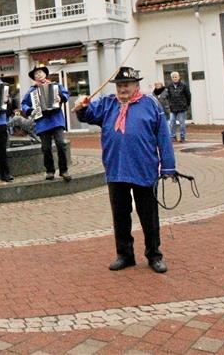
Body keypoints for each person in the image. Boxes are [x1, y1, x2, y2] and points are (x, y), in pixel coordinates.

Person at [74, 66, 175, 274]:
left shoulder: (151, 105)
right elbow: (87, 116)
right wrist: (82, 107)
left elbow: (164, 137)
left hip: (144, 169)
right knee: (120, 215)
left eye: (126, 84)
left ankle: (154, 255)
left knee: (148, 215)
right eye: (119, 85)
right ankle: (125, 255)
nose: (122, 89)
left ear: (136, 85)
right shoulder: (107, 104)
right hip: (116, 168)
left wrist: (168, 166)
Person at [21, 65, 71, 181]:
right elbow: (24, 104)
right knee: (46, 148)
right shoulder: (31, 91)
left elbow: (66, 95)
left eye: (40, 73)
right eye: (36, 74)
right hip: (42, 121)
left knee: (61, 144)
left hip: (56, 119)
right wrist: (30, 110)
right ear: (34, 77)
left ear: (45, 74)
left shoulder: (55, 86)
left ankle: (64, 170)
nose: (38, 75)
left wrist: (60, 97)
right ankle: (50, 171)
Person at [166, 72, 191, 143]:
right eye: (173, 77)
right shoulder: (169, 86)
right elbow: (168, 97)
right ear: (171, 78)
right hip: (172, 108)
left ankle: (182, 137)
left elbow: (188, 96)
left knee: (182, 123)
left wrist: (187, 105)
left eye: (176, 77)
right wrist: (170, 104)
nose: (174, 78)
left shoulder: (184, 86)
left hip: (182, 108)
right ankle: (173, 137)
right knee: (172, 122)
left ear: (179, 77)